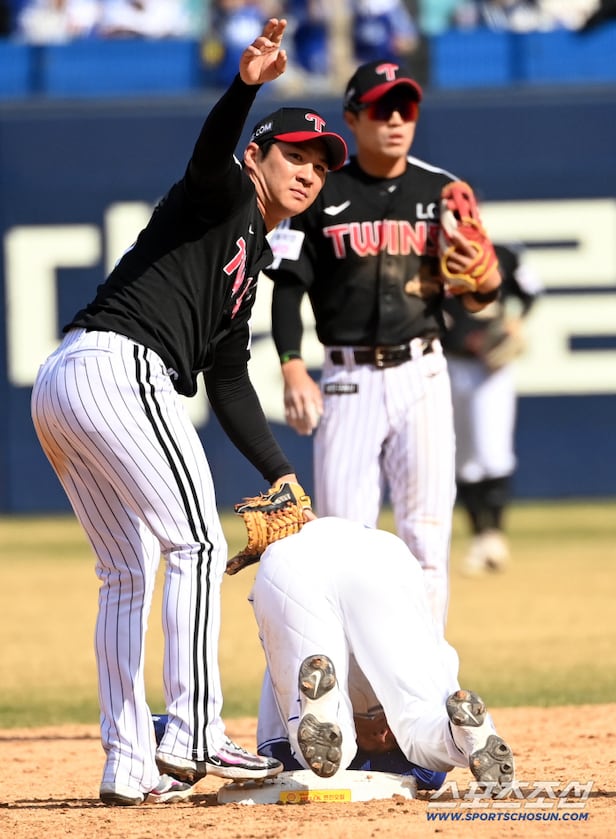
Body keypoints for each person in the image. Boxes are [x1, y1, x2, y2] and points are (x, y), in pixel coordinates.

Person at [30, 17, 347, 808]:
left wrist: (281, 474)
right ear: (257, 157)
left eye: (319, 165)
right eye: (295, 156)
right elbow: (209, 154)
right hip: (118, 365)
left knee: (125, 572)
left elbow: (229, 378)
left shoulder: (247, 262)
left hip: (66, 382)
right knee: (198, 542)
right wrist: (244, 86)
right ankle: (197, 730)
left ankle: (129, 761)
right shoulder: (224, 194)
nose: (309, 173)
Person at [265, 58, 501, 630]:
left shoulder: (442, 191)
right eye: (380, 109)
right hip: (348, 378)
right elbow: (287, 289)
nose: (395, 120)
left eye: (405, 108)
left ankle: (425, 674)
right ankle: (354, 680)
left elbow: (478, 295)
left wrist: (485, 282)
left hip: (423, 373)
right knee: (343, 542)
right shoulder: (321, 192)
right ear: (352, 118)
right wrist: (293, 366)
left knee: (427, 537)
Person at [250, 516, 515, 789]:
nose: (381, 736)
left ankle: (331, 717)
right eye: (388, 740)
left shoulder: (437, 660)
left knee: (309, 762)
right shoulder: (425, 761)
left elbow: (276, 757)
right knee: (423, 728)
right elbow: (426, 774)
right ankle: (457, 737)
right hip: (378, 555)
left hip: (292, 560)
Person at [441, 242, 542, 576]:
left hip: (491, 368)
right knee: (463, 457)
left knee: (493, 451)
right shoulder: (433, 255)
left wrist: (515, 319)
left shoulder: (503, 254)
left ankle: (494, 535)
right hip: (450, 362)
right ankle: (480, 538)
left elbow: (531, 291)